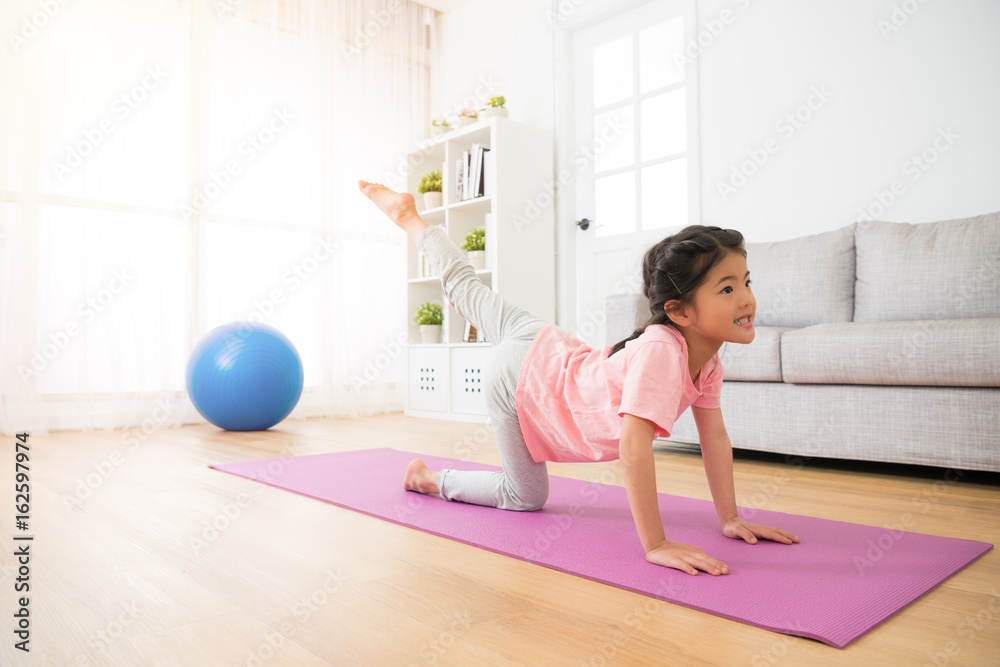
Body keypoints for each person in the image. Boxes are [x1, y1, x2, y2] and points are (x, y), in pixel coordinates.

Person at [358, 179, 799, 576]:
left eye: (746, 281)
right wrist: (657, 544)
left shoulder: (708, 361)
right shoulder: (663, 350)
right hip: (522, 381)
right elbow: (633, 445)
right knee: (523, 496)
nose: (746, 299)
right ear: (680, 312)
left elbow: (715, 439)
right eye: (727, 288)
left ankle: (410, 218)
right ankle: (430, 480)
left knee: (467, 288)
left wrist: (730, 518)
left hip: (543, 343)